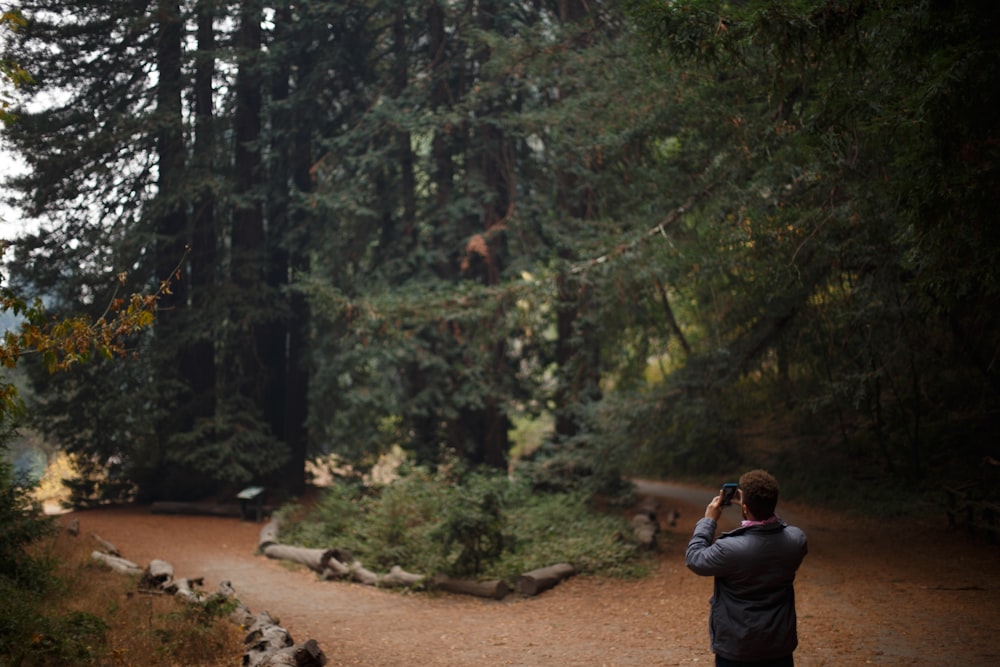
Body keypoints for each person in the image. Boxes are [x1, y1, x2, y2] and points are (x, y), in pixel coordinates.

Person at [685, 469, 808, 667]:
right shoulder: (797, 540)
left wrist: (709, 520)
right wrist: (759, 509)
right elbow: (780, 528)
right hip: (779, 646)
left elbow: (694, 558)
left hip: (737, 649)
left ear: (744, 508)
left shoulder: (730, 549)